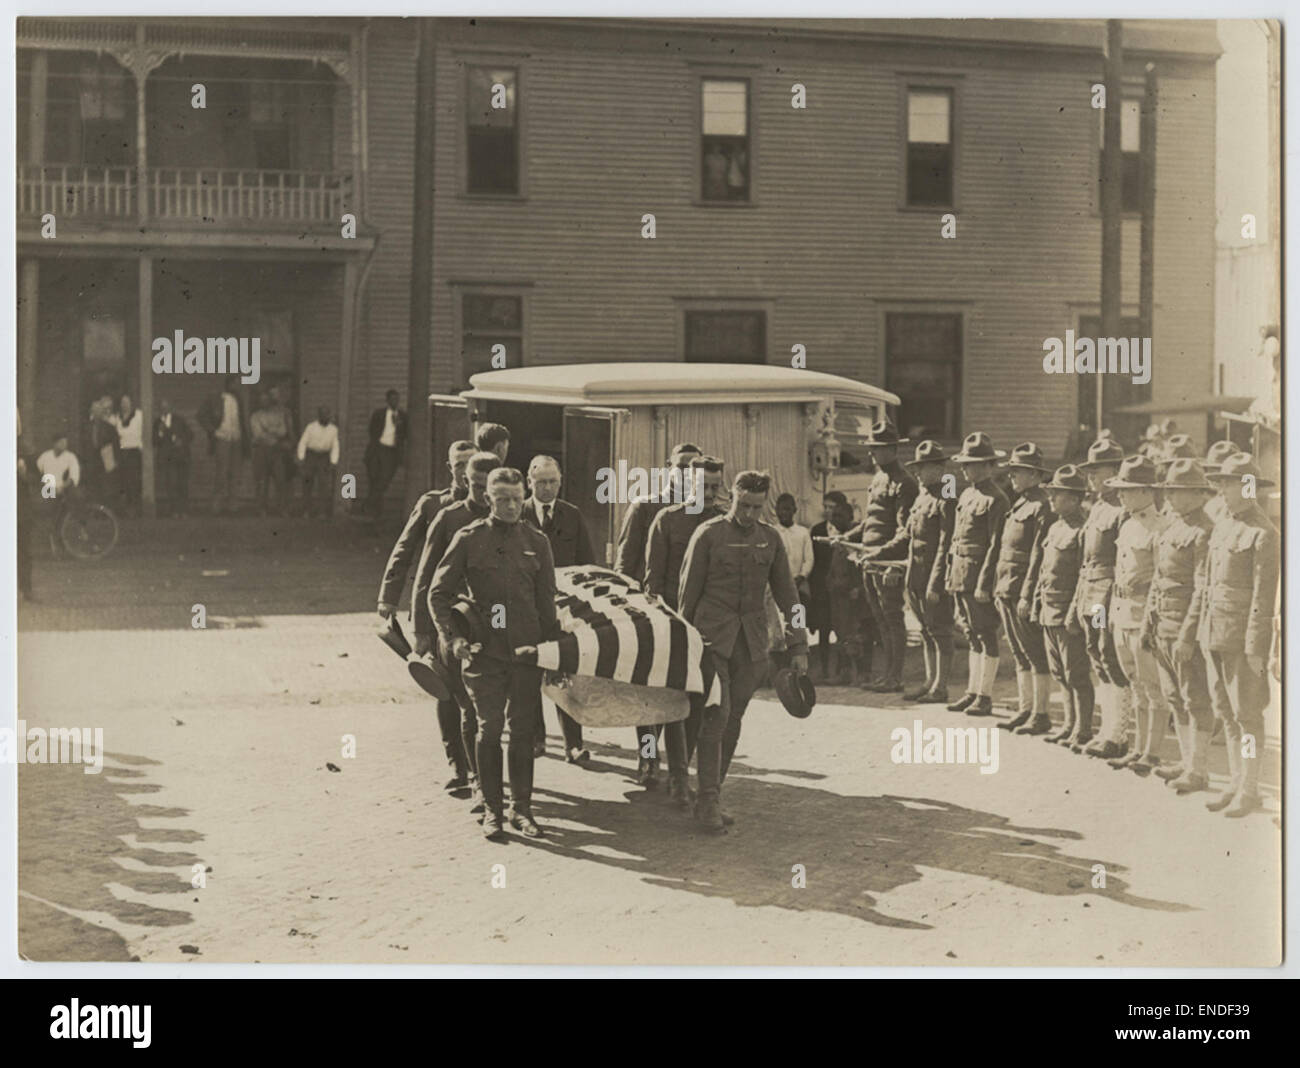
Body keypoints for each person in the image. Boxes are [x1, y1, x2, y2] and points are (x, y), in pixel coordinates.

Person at [429, 467, 558, 840]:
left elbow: (546, 603)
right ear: (487, 499)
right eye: (503, 499)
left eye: (518, 499)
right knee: (489, 730)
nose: (512, 506)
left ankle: (522, 809)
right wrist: (453, 639)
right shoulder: (469, 539)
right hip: (484, 654)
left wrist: (552, 653)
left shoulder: (538, 541)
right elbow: (438, 593)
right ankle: (492, 811)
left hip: (525, 652)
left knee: (522, 733)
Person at [678, 470, 807, 833]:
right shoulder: (708, 535)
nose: (748, 514)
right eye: (742, 505)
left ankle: (712, 793)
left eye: (755, 507)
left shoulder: (771, 540)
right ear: (730, 497)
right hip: (711, 640)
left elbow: (788, 596)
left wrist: (799, 647)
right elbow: (686, 597)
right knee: (716, 715)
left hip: (751, 645)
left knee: (733, 721)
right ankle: (706, 802)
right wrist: (683, 645)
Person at [377, 439, 478, 794]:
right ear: (449, 467)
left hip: (480, 617)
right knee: (447, 691)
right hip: (442, 615)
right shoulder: (435, 506)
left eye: (471, 462)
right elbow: (409, 555)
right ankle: (458, 767)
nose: (465, 471)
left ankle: (482, 767)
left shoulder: (492, 506)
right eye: (459, 463)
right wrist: (390, 600)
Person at [410, 451, 501, 799]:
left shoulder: (511, 518)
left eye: (487, 487)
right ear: (465, 481)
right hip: (454, 625)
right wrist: (423, 629)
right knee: (462, 702)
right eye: (476, 486)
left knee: (487, 710)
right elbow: (426, 577)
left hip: (495, 627)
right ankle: (467, 773)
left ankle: (481, 775)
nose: (482, 494)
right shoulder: (449, 518)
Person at [614, 440, 701, 784]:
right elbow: (624, 563)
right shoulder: (645, 508)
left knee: (686, 692)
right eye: (682, 466)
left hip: (691, 615)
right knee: (649, 696)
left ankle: (681, 767)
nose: (687, 473)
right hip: (652, 613)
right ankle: (647, 758)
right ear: (668, 469)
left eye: (694, 467)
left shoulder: (701, 513)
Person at [643, 455, 726, 807]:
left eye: (714, 487)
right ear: (687, 485)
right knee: (663, 703)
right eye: (701, 486)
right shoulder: (668, 520)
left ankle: (682, 771)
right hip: (674, 624)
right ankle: (657, 764)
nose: (708, 493)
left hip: (709, 628)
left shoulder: (724, 524)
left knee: (697, 703)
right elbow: (653, 578)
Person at [1199, 454, 1278, 817]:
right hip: (1214, 635)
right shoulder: (1222, 526)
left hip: (1242, 644)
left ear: (1248, 487)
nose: (1223, 491)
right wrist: (1202, 632)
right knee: (1227, 714)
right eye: (1222, 483)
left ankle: (1249, 788)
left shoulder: (1264, 535)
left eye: (1230, 484)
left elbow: (1264, 599)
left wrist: (1255, 650)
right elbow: (1210, 585)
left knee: (1247, 716)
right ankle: (1234, 781)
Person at [1141, 459, 1217, 795]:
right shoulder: (1172, 527)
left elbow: (1202, 589)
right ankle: (1187, 763)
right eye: (1169, 490)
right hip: (1163, 627)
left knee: (1195, 698)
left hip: (1185, 630)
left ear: (1199, 494)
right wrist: (1148, 624)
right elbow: (1158, 581)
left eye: (1179, 491)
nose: (1171, 497)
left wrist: (1188, 635)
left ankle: (1199, 770)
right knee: (1174, 698)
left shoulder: (1205, 531)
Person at [522, 454, 597, 763]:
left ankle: (573, 744)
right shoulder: (519, 513)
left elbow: (587, 564)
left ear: (560, 482)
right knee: (529, 673)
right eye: (541, 483)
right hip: (527, 608)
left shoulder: (572, 516)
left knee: (567, 673)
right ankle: (536, 740)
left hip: (563, 610)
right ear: (530, 483)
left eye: (553, 482)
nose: (548, 489)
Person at [1101, 455, 1172, 771]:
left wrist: (1150, 621)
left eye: (1127, 490)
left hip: (1144, 616)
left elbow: (1161, 578)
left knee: (1153, 686)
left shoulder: (1161, 527)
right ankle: (1138, 749)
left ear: (1147, 491)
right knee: (1135, 685)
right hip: (1121, 613)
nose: (1121, 496)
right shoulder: (1127, 525)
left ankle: (1152, 753)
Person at [843, 420, 918, 693]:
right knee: (879, 620)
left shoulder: (905, 483)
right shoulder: (877, 479)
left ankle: (895, 677)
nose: (872, 454)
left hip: (889, 563)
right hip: (869, 560)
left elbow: (904, 531)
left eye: (878, 449)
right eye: (872, 448)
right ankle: (887, 675)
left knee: (893, 618)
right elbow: (871, 521)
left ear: (893, 449)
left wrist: (884, 557)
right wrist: (848, 537)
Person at [944, 432, 1010, 717]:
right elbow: (957, 538)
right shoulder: (968, 494)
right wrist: (951, 574)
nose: (964, 469)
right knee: (971, 634)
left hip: (978, 576)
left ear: (987, 466)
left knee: (986, 634)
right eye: (964, 464)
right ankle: (972, 691)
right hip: (961, 573)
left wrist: (985, 584)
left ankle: (985, 695)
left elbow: (996, 546)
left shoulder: (997, 499)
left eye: (970, 464)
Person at [1027, 465, 1093, 743]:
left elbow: (1083, 575)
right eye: (1051, 493)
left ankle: (1083, 729)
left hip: (1068, 612)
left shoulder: (1083, 530)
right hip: (1048, 609)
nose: (1052, 499)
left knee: (1076, 672)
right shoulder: (1055, 528)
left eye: (1058, 495)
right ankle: (1068, 724)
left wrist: (1075, 614)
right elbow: (1043, 571)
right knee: (1060, 673)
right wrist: (1036, 605)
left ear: (1076, 499)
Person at [889, 440, 956, 703]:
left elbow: (945, 543)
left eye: (923, 467)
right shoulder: (922, 496)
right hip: (915, 575)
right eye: (916, 468)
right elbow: (906, 536)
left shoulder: (946, 498)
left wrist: (936, 583)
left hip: (932, 576)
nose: (917, 473)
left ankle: (941, 687)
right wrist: (877, 553)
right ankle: (929, 682)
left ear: (939, 469)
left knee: (941, 630)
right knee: (926, 631)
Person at [994, 443, 1054, 732]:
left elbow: (1037, 556)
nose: (1012, 477)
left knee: (1035, 652)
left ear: (1033, 474)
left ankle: (1041, 714)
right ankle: (1026, 707)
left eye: (1017, 472)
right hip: (1007, 585)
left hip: (1022, 590)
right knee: (1019, 652)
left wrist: (1028, 595)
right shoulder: (1019, 502)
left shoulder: (1043, 505)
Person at [807, 491, 848, 681]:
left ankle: (841, 670)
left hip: (842, 589)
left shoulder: (848, 531)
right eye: (826, 507)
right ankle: (823, 669)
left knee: (842, 630)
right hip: (822, 588)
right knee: (823, 630)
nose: (829, 512)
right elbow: (813, 561)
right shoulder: (817, 530)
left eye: (833, 507)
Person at [198, 376, 248, 515]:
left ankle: (233, 505)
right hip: (223, 438)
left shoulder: (239, 400)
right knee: (222, 472)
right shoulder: (216, 398)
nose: (238, 386)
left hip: (236, 439)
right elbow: (201, 415)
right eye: (236, 383)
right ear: (229, 384)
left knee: (235, 472)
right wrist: (213, 430)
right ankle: (216, 505)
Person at [250, 389, 294, 516]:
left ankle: (282, 508)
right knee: (262, 481)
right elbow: (257, 434)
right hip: (261, 450)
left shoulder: (278, 414)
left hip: (277, 451)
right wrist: (273, 432)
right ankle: (261, 509)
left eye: (266, 400)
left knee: (280, 480)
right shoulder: (255, 416)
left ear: (269, 400)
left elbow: (283, 431)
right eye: (261, 400)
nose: (264, 402)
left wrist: (268, 431)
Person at [365, 390, 407, 517]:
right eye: (392, 399)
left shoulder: (403, 416)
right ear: (387, 400)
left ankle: (368, 505)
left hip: (392, 452)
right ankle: (376, 513)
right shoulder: (379, 414)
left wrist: (398, 426)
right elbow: (372, 431)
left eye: (396, 399)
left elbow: (405, 434)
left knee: (384, 481)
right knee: (375, 480)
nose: (394, 402)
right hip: (378, 450)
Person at [296, 407, 340, 519]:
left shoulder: (333, 429)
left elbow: (335, 446)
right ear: (319, 415)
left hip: (324, 457)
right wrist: (301, 457)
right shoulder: (311, 427)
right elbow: (303, 443)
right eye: (323, 414)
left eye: (327, 414)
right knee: (307, 483)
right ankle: (306, 510)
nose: (326, 417)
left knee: (323, 485)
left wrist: (333, 461)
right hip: (311, 456)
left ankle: (322, 512)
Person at [152, 398, 193, 518]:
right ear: (160, 410)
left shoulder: (179, 420)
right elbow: (154, 441)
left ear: (170, 408)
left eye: (166, 407)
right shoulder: (157, 423)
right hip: (168, 459)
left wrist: (182, 441)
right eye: (162, 408)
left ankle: (184, 510)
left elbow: (190, 435)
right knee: (171, 485)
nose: (164, 410)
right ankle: (174, 511)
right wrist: (160, 432)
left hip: (182, 457)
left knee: (183, 484)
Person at [111, 394, 144, 517]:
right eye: (123, 402)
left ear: (131, 403)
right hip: (122, 452)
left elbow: (144, 432)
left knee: (134, 481)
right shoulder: (117, 418)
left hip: (134, 452)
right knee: (123, 481)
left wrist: (142, 447)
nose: (125, 404)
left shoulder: (139, 415)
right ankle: (125, 511)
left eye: (127, 402)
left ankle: (134, 509)